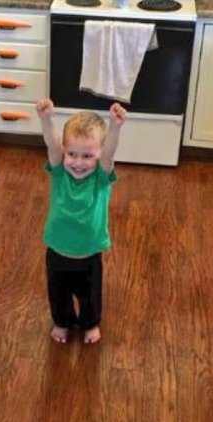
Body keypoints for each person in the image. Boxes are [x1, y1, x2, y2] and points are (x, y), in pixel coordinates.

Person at [36, 98, 126, 344]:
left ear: (99, 157)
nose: (78, 162)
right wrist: (46, 120)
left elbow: (109, 154)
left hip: (89, 253)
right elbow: (52, 147)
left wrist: (115, 127)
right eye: (72, 154)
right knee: (58, 293)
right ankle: (62, 322)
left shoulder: (100, 177)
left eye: (88, 156)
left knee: (90, 294)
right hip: (57, 250)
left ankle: (90, 324)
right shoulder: (59, 172)